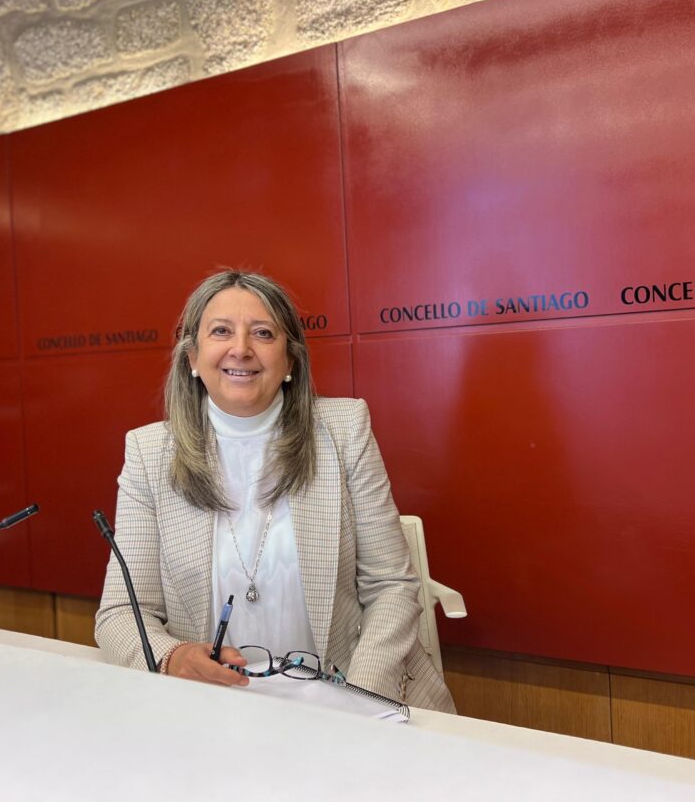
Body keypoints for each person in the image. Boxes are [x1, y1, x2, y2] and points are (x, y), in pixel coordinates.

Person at [95, 270, 455, 712]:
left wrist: (357, 703)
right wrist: (173, 657)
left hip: (348, 699)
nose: (241, 349)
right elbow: (120, 614)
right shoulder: (149, 453)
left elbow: (391, 586)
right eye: (221, 331)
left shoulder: (344, 430)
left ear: (290, 361)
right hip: (213, 710)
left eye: (263, 333)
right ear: (192, 358)